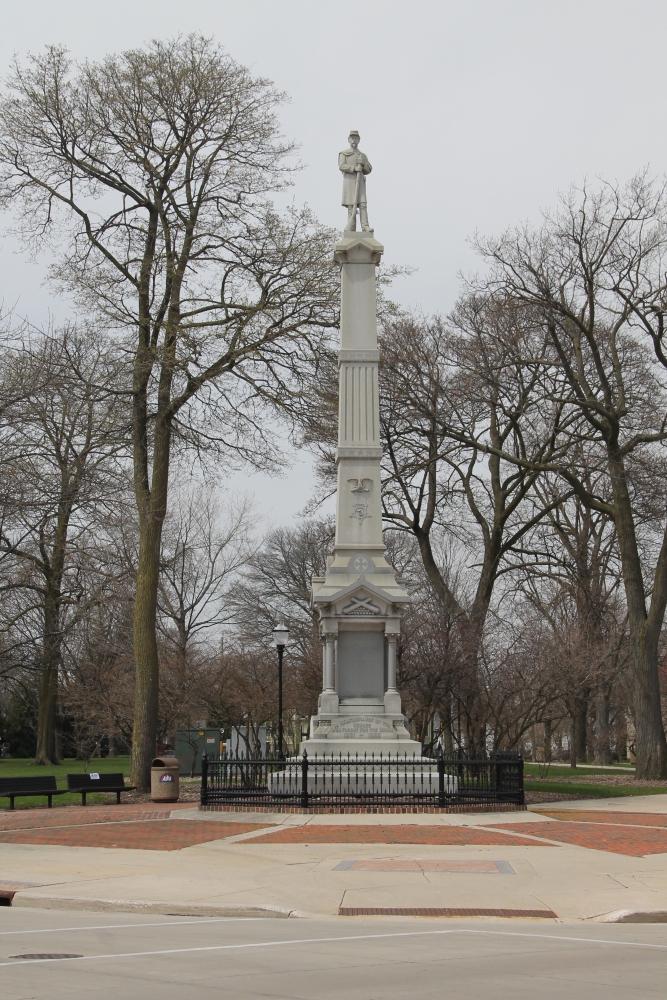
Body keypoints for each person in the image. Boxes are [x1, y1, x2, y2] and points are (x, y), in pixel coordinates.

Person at [339, 131, 372, 232]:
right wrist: (354, 168)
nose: (354, 140)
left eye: (356, 138)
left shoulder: (363, 155)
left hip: (360, 182)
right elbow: (341, 166)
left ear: (359, 140)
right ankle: (351, 228)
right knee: (351, 206)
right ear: (348, 140)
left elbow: (369, 168)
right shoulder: (344, 154)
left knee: (363, 204)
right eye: (352, 138)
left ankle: (365, 226)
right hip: (349, 182)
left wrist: (363, 165)